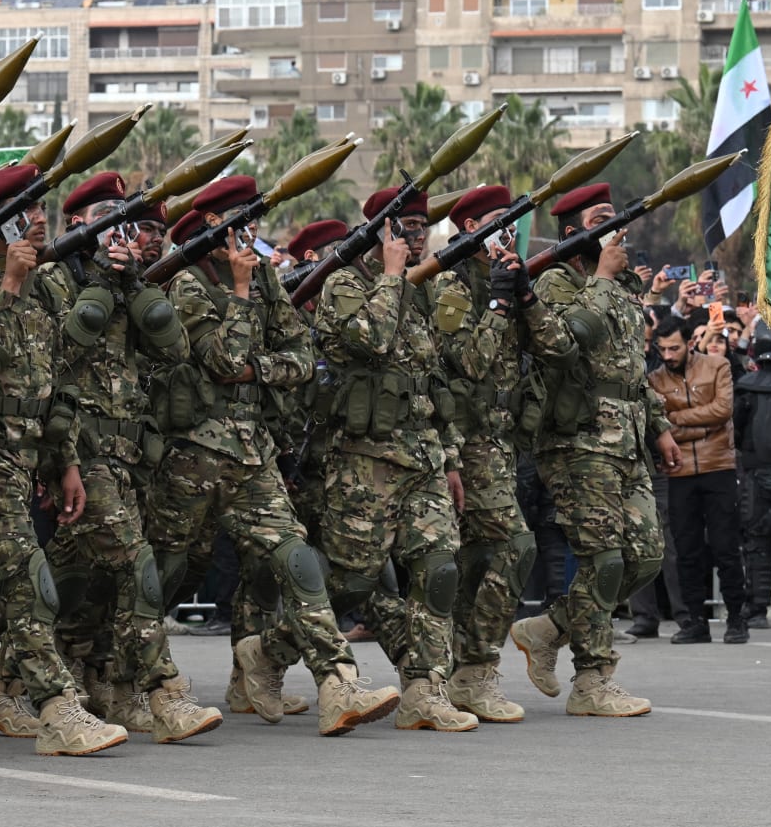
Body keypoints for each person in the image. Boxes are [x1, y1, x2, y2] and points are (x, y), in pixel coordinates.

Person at [147, 175, 400, 736]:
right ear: (212, 226)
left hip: (249, 450)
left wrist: (257, 368)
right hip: (189, 454)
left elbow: (301, 355)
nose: (253, 232)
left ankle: (339, 682)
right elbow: (218, 360)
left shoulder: (264, 278)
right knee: (164, 574)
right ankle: (127, 679)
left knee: (296, 559)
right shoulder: (186, 284)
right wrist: (238, 299)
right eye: (240, 219)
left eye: (254, 219)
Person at [0, 163, 130, 756]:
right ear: (5, 220)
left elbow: (54, 384)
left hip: (24, 459)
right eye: (29, 210)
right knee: (30, 586)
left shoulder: (44, 287)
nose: (42, 221)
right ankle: (59, 711)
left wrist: (64, 462)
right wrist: (9, 286)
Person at [33, 172, 222, 744]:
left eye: (125, 219)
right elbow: (63, 348)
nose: (120, 231)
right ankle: (165, 692)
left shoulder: (132, 284)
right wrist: (96, 281)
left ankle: (97, 682)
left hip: (128, 453)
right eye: (105, 217)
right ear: (78, 226)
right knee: (135, 564)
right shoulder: (53, 280)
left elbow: (175, 348)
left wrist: (134, 284)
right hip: (78, 448)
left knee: (84, 579)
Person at [508, 183, 681, 716]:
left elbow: (631, 371)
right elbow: (562, 344)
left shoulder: (626, 289)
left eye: (615, 217)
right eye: (601, 218)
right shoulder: (554, 282)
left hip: (627, 440)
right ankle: (593, 680)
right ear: (573, 232)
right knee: (603, 559)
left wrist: (661, 426)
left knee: (645, 557)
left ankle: (550, 628)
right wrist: (604, 279)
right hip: (577, 441)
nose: (615, 226)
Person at [314, 186, 475, 732]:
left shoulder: (422, 292)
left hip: (422, 459)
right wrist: (391, 275)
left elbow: (431, 385)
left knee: (439, 570)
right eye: (403, 225)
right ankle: (267, 651)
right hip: (365, 463)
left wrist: (450, 460)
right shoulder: (344, 284)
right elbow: (371, 342)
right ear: (380, 232)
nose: (415, 235)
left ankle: (424, 692)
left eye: (420, 226)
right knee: (350, 583)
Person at [432, 184, 574, 723]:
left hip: (502, 441)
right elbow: (469, 362)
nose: (508, 232)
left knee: (476, 562)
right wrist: (495, 301)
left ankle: (459, 670)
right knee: (516, 547)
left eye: (512, 222)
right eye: (497, 222)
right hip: (462, 441)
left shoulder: (515, 283)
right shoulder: (451, 285)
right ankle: (474, 668)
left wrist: (524, 297)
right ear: (469, 231)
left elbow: (557, 349)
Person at [647, 317, 747, 644]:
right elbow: (658, 424)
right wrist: (699, 427)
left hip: (718, 466)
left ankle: (736, 618)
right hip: (679, 472)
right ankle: (695, 621)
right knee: (686, 550)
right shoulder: (655, 378)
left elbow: (722, 410)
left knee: (725, 547)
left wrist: (676, 421)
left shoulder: (717, 366)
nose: (667, 354)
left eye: (674, 347)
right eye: (662, 348)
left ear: (690, 342)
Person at [731, 320, 771, 628]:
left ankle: (757, 607)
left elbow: (737, 428)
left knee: (757, 544)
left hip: (757, 472)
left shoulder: (747, 386)